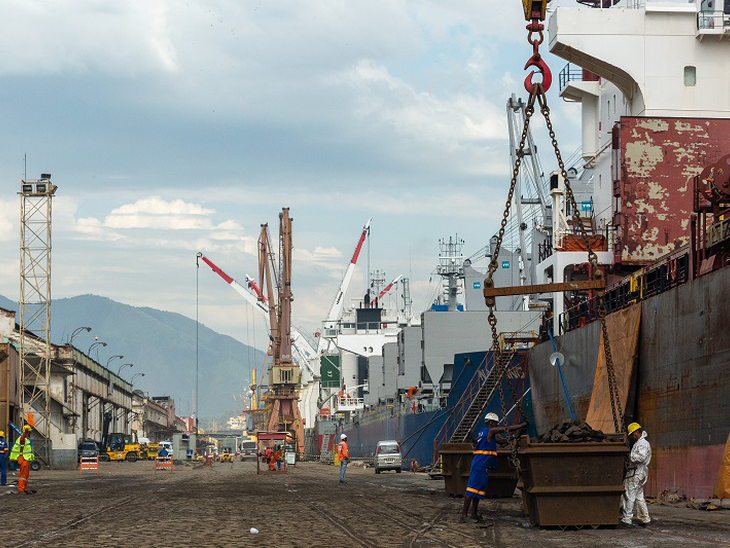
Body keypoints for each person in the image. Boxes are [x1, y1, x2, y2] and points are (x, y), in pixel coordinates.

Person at [461, 413, 524, 523]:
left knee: (477, 490)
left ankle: (474, 513)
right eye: (496, 423)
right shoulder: (490, 431)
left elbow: (502, 442)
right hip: (480, 465)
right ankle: (463, 516)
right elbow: (506, 429)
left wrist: (515, 436)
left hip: (482, 465)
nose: (497, 425)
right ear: (491, 423)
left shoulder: (483, 432)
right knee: (471, 489)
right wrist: (521, 425)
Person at [621, 422, 652, 526]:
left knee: (629, 495)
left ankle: (627, 518)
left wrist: (629, 455)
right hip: (639, 472)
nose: (632, 437)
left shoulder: (643, 443)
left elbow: (641, 457)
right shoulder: (640, 443)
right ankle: (645, 518)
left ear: (636, 432)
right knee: (639, 497)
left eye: (632, 434)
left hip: (637, 472)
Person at [10, 425, 35, 494]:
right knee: (23, 475)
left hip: (26, 459)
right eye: (29, 432)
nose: (30, 433)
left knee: (26, 475)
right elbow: (22, 438)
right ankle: (21, 489)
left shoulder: (27, 439)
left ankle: (25, 488)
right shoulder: (22, 438)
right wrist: (25, 432)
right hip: (23, 459)